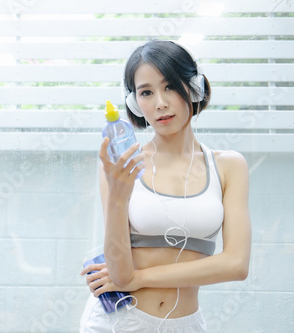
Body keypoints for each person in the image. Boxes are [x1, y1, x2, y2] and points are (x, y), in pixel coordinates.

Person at [79, 40, 251, 332]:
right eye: (146, 92)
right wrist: (118, 198)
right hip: (118, 323)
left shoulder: (229, 166)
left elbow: (236, 264)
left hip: (186, 323)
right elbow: (120, 275)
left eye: (170, 86)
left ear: (195, 87)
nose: (160, 102)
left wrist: (141, 278)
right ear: (135, 103)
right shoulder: (121, 165)